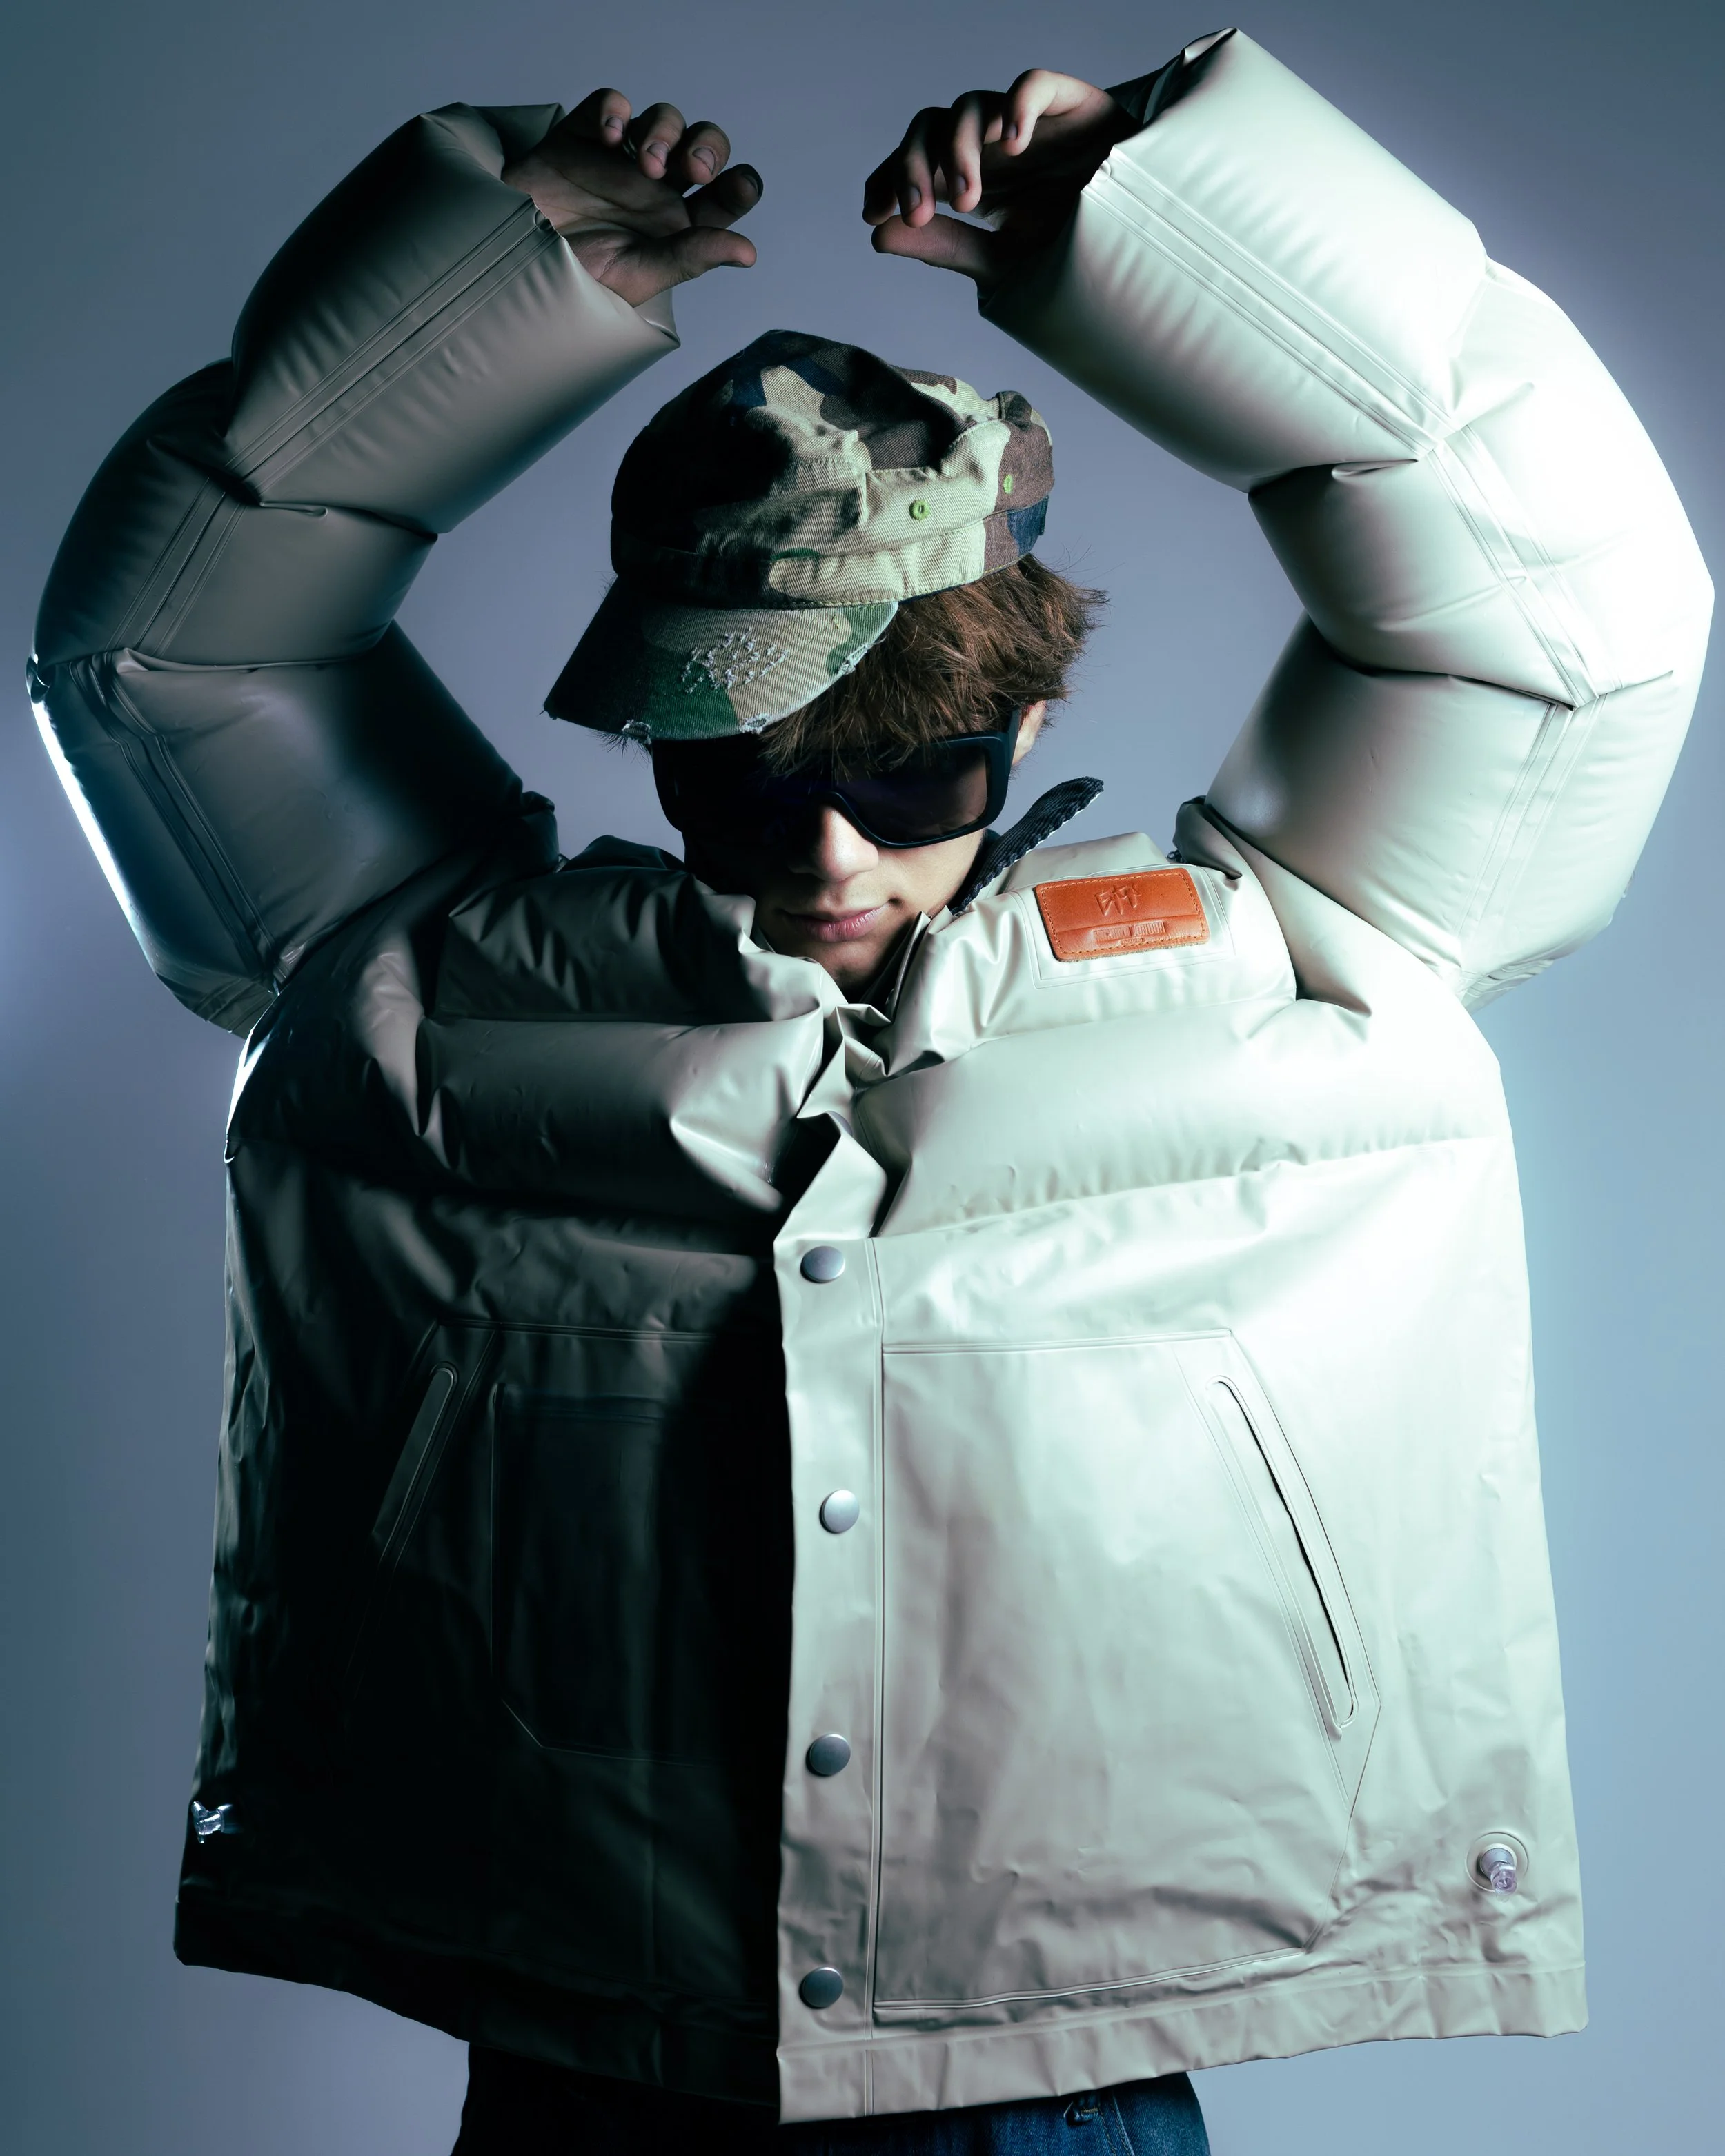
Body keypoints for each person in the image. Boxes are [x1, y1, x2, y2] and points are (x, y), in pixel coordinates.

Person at [28, 27, 1709, 2156]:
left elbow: (1577, 618)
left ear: (1007, 722)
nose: (829, 854)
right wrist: (483, 281)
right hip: (588, 2049)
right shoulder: (422, 991)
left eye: (906, 770)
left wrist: (1165, 227)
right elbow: (165, 657)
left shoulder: (1291, 967)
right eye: (743, 774)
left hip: (1058, 2072)